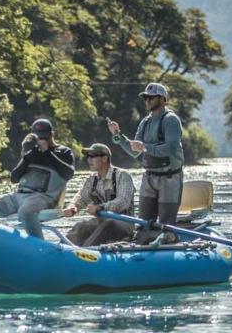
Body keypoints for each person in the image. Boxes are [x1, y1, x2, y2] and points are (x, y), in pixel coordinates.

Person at [107, 82, 183, 244]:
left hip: (170, 179)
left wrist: (146, 148)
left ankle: (169, 242)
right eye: (145, 98)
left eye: (151, 98)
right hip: (148, 178)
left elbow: (171, 148)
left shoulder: (171, 120)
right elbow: (135, 150)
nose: (147, 101)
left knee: (166, 226)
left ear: (162, 99)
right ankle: (142, 246)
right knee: (143, 224)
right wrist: (118, 136)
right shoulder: (145, 122)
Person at [0, 118, 74, 238]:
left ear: (51, 135)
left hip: (44, 198)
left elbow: (68, 173)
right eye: (38, 137)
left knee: (26, 211)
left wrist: (47, 153)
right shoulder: (31, 153)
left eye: (44, 137)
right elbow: (14, 178)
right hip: (19, 196)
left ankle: (38, 245)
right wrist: (26, 157)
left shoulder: (63, 152)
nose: (41, 140)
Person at [62, 143, 136, 246]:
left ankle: (84, 252)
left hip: (125, 223)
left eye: (92, 156)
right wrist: (72, 207)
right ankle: (61, 249)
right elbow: (81, 198)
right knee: (81, 226)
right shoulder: (92, 179)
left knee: (109, 224)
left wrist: (100, 207)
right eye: (88, 157)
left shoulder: (123, 175)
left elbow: (123, 201)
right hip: (102, 222)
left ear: (104, 158)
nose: (89, 160)